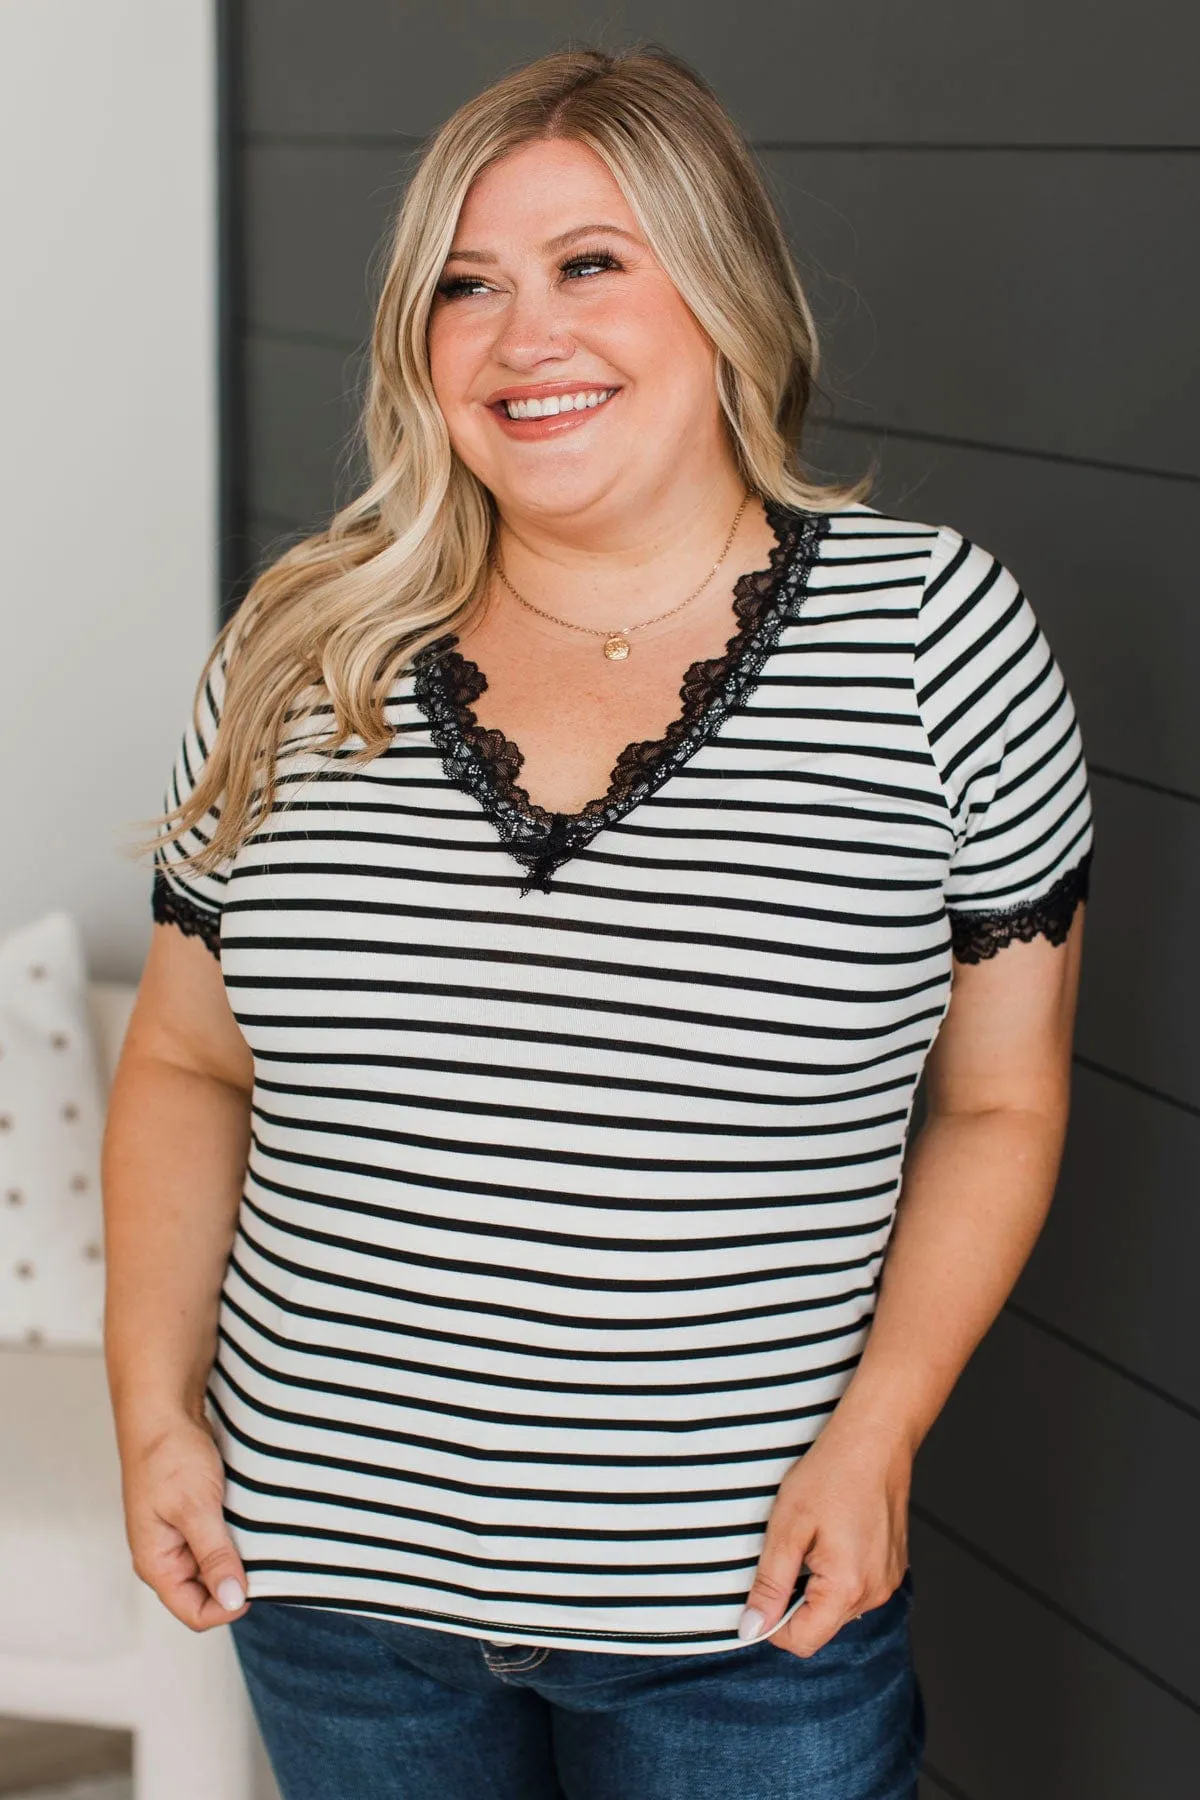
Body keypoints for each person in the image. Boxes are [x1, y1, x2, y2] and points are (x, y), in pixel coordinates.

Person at [103, 44, 1092, 1800]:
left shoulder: (934, 640)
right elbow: (189, 1059)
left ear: (723, 292)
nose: (521, 334)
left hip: (744, 1612)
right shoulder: (303, 645)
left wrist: (880, 1436)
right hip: (332, 1587)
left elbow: (1004, 1098)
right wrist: (154, 1410)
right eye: (464, 286)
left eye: (589, 265)